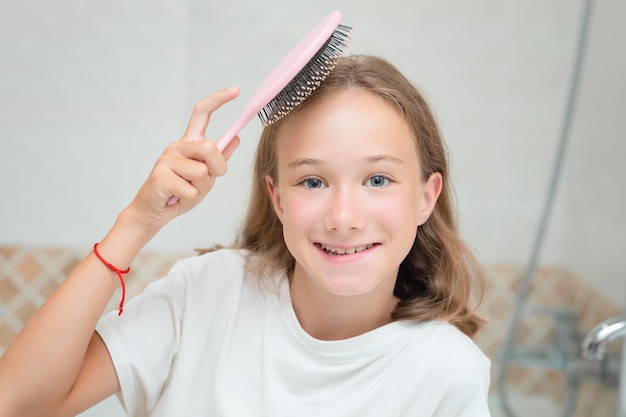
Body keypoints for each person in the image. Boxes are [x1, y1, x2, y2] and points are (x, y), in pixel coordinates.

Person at [0, 55, 491, 416]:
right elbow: (18, 404)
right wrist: (137, 222)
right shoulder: (206, 293)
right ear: (277, 199)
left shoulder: (449, 372)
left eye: (378, 180)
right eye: (313, 182)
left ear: (426, 197)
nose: (344, 217)